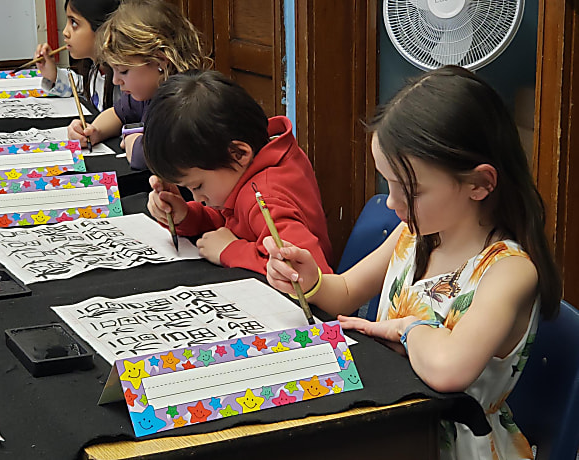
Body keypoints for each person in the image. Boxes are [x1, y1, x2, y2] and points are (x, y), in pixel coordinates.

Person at [264, 65, 562, 460]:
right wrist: (310, 280)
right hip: (391, 424)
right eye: (387, 183)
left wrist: (406, 328)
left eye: (411, 191)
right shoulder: (414, 235)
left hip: (451, 445)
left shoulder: (509, 271)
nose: (391, 202)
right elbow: (347, 291)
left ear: (479, 184)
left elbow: (449, 370)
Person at [144, 70, 334, 276]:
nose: (197, 198)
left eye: (198, 186)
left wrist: (231, 251)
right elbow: (232, 221)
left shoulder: (265, 198)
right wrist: (187, 217)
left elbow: (308, 273)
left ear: (238, 153)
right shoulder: (253, 165)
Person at [67, 0, 210, 169]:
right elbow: (118, 113)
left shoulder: (184, 103)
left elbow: (145, 157)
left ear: (160, 62)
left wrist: (132, 140)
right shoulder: (148, 92)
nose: (115, 81)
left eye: (124, 71)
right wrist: (93, 131)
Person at [36, 0, 120, 112]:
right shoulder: (95, 69)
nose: (65, 32)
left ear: (103, 29)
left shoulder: (124, 83)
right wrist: (53, 75)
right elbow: (81, 87)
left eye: (74, 23)